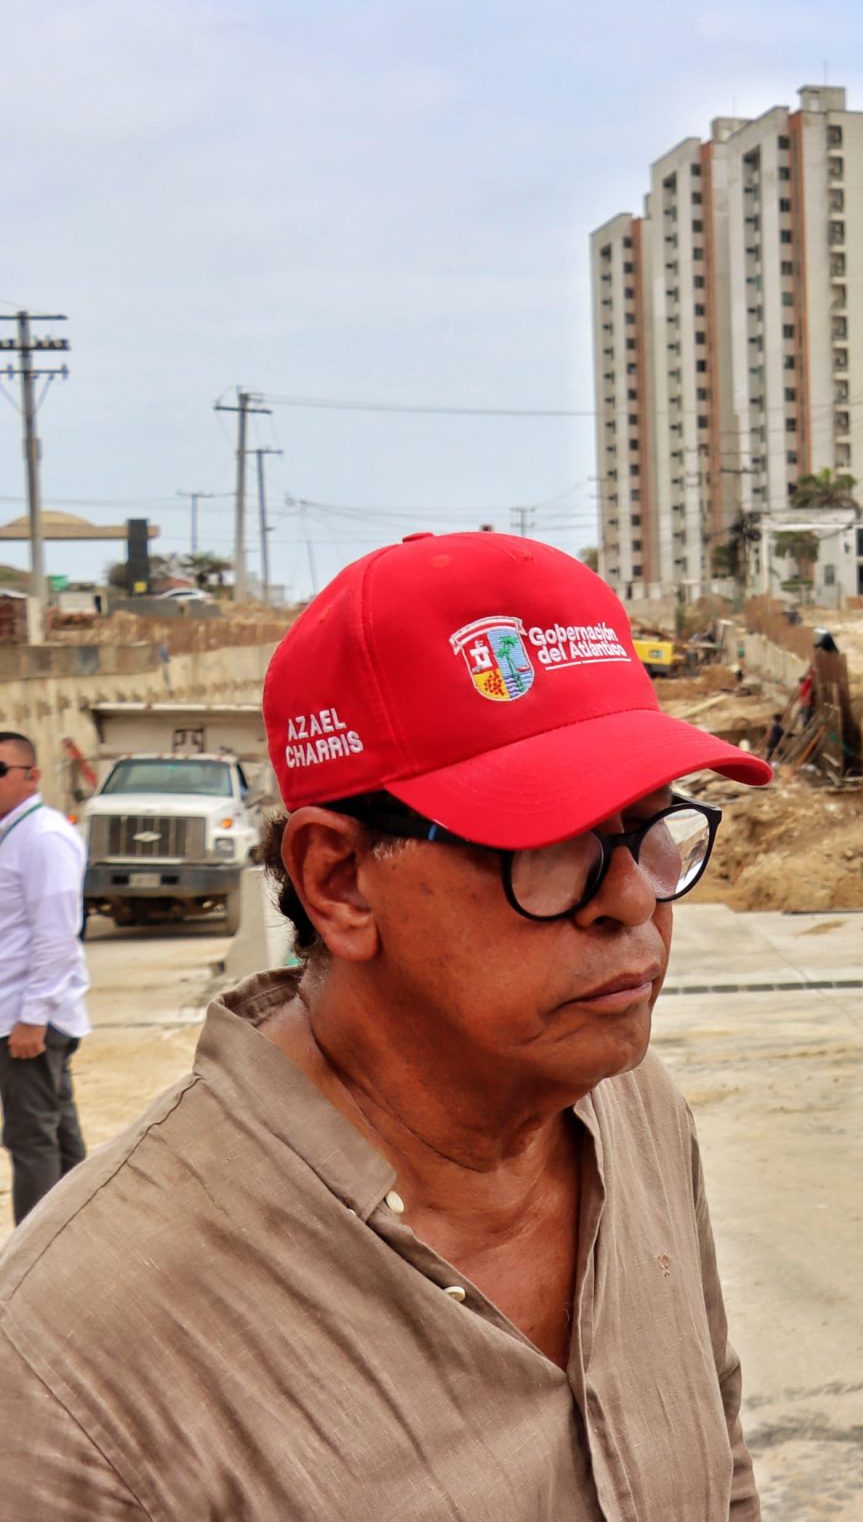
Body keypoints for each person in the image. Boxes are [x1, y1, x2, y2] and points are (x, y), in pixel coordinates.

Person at [0, 533, 773, 1518]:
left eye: (650, 828)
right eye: (550, 841)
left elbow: (720, 1460)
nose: (632, 898)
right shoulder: (77, 1362)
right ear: (339, 881)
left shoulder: (634, 1113)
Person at [0, 731, 89, 1225]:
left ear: (31, 776)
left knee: (31, 1139)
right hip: (19, 1013)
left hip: (29, 1019)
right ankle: (76, 1241)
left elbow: (57, 935)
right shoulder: (14, 834)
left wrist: (32, 1018)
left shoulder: (43, 837)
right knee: (58, 1135)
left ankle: (32, 1259)